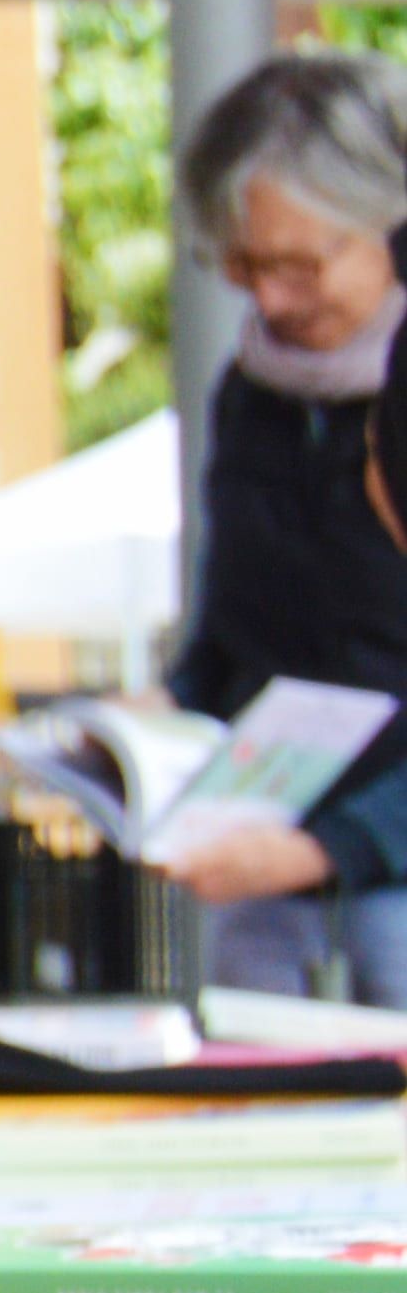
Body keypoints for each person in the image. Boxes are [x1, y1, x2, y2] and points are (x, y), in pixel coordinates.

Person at [145, 51, 407, 996]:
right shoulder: (252, 396)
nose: (273, 300)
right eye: (246, 267)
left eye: (300, 263)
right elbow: (231, 633)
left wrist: (332, 847)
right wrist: (162, 721)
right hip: (260, 870)